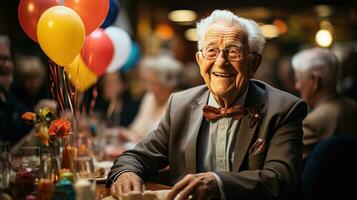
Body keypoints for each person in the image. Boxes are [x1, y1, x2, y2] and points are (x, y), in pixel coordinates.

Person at [107, 10, 307, 199]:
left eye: (234, 52)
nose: (221, 62)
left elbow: (281, 179)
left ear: (253, 63)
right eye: (211, 51)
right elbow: (137, 157)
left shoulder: (284, 108)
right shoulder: (180, 105)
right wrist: (126, 172)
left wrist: (217, 183)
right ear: (199, 59)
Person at [292, 47, 357, 163]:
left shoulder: (314, 121)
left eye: (299, 79)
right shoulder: (352, 105)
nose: (297, 86)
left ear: (315, 81)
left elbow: (289, 160)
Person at [118, 54, 184, 144]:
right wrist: (124, 134)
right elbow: (137, 131)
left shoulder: (179, 102)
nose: (149, 88)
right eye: (148, 82)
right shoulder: (150, 97)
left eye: (154, 83)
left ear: (169, 84)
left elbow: (168, 144)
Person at [0, 35, 31, 145]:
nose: (7, 65)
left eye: (8, 59)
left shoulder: (8, 96)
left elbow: (26, 118)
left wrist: (41, 114)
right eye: (1, 59)